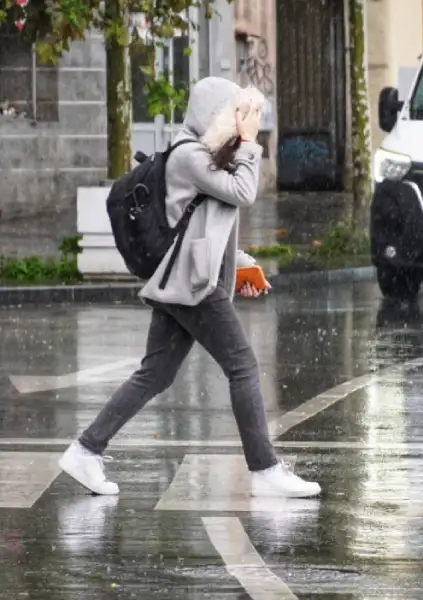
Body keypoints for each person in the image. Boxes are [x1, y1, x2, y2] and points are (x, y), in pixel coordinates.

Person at [58, 77, 321, 498]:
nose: (238, 126)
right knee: (243, 367)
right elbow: (244, 192)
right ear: (214, 116)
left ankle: (86, 450)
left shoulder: (203, 156)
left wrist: (239, 267)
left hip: (184, 279)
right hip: (191, 284)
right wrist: (251, 144)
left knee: (155, 374)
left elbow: (205, 226)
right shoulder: (190, 157)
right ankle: (265, 470)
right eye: (232, 115)